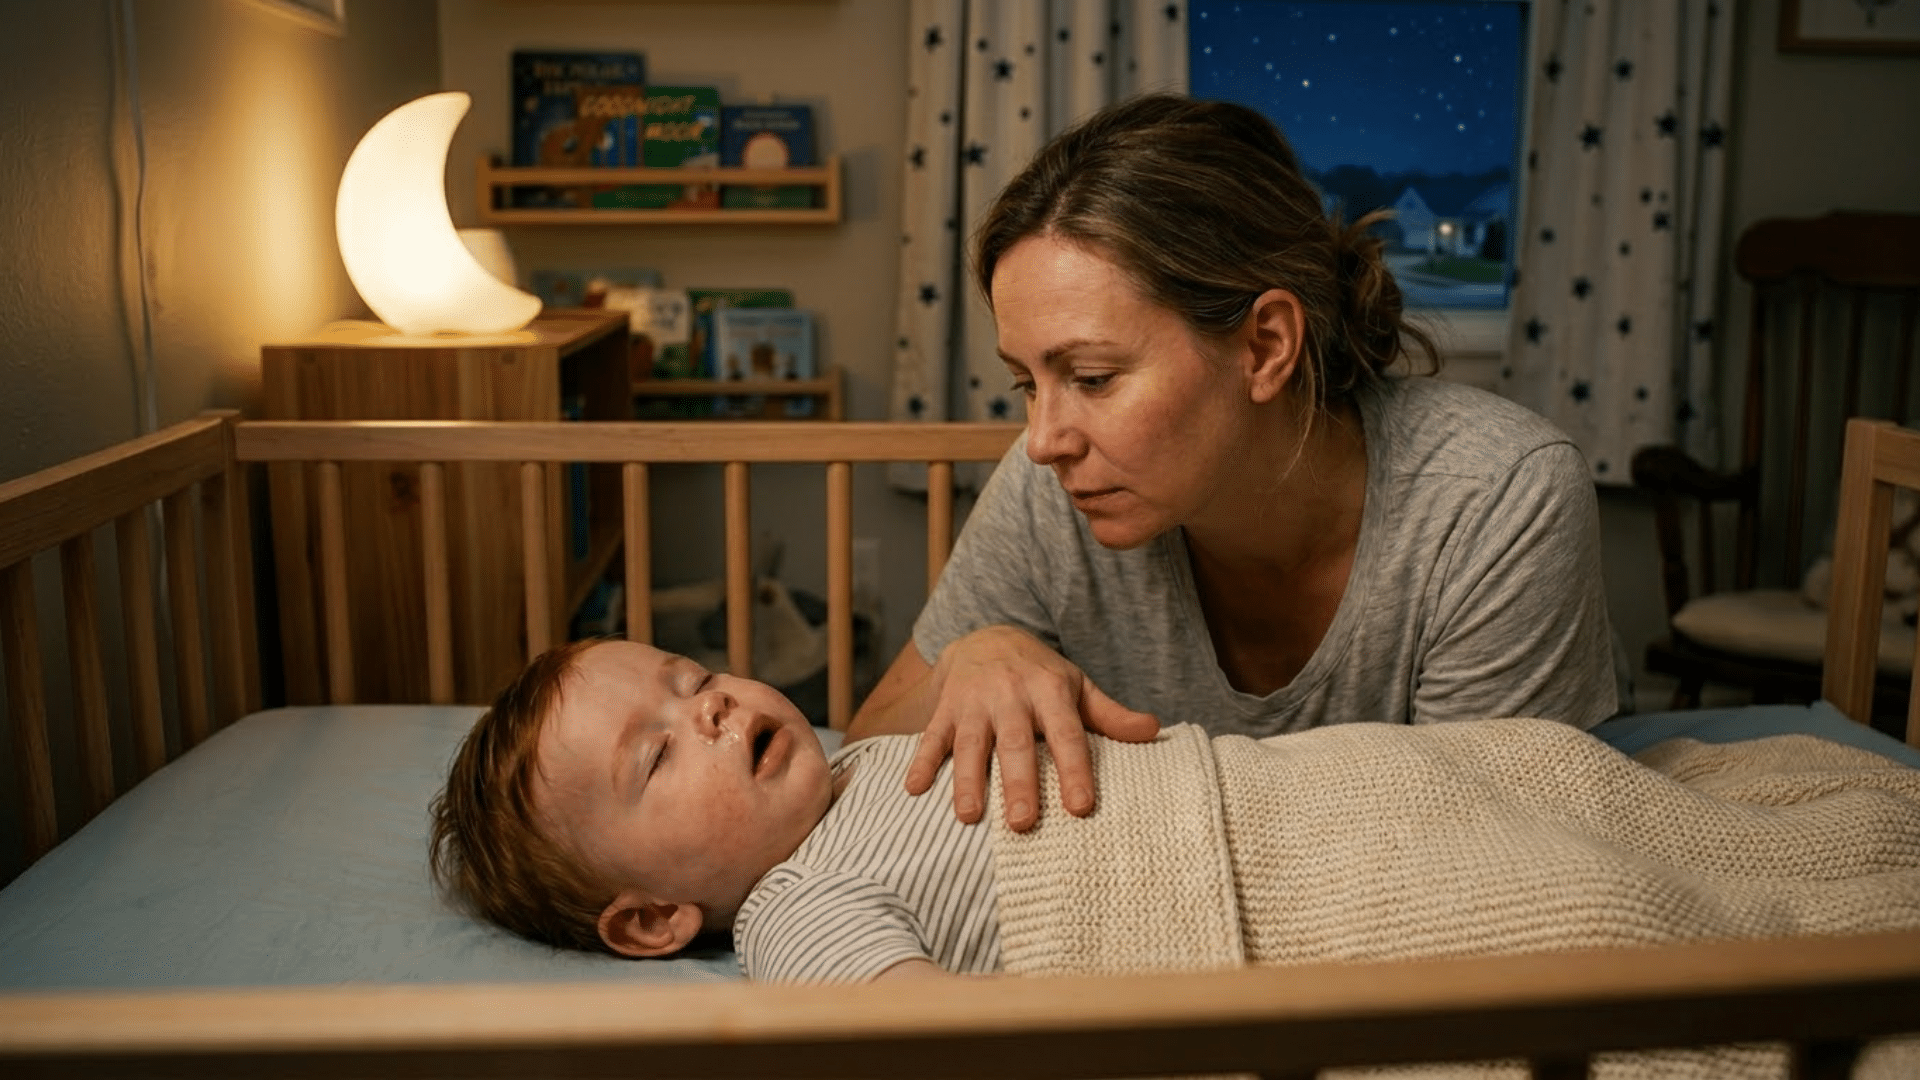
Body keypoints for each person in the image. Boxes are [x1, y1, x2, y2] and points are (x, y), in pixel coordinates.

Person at [846, 93, 1619, 833]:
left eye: (1091, 379)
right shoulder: (1049, 490)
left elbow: (1496, 855)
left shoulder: (1496, 501)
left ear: (1265, 346)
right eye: (1026, 382)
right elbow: (860, 752)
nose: (1045, 439)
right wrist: (969, 663)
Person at [429, 638, 1920, 987]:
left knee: (1544, 775)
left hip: (1295, 794)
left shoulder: (866, 762)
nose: (708, 709)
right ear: (650, 918)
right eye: (655, 759)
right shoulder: (798, 916)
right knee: (1592, 912)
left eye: (690, 678)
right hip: (1237, 889)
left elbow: (939, 685)